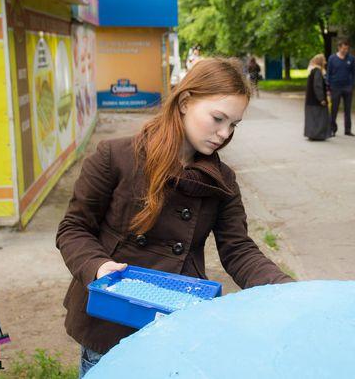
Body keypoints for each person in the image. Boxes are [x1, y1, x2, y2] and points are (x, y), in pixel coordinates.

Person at [56, 58, 294, 377]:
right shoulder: (115, 157)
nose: (224, 134)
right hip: (110, 326)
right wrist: (97, 267)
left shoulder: (222, 180)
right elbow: (74, 229)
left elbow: (238, 250)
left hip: (178, 321)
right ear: (185, 102)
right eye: (218, 118)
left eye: (234, 124)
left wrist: (287, 289)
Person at [326, 39, 355, 137]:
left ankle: (348, 130)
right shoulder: (332, 58)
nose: (345, 51)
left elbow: (353, 73)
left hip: (347, 88)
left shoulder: (351, 59)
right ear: (339, 47)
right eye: (343, 48)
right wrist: (328, 87)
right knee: (334, 109)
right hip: (335, 87)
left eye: (347, 49)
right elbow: (328, 73)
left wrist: (351, 85)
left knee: (348, 110)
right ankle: (332, 129)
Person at [304, 54, 330, 141]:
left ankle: (312, 134)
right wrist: (321, 99)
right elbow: (317, 86)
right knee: (319, 118)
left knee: (312, 118)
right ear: (320, 62)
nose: (325, 62)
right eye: (324, 60)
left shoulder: (312, 71)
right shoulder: (318, 72)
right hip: (316, 100)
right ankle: (318, 135)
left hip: (310, 100)